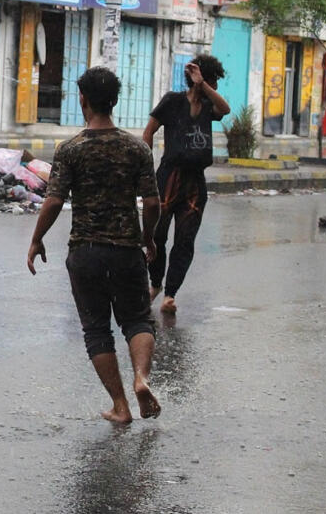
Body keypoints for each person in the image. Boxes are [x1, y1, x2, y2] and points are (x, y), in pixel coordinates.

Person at [27, 66, 162, 424]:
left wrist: (37, 238)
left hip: (85, 252)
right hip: (126, 251)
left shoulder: (71, 150)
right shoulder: (137, 149)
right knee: (137, 320)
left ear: (82, 99)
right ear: (115, 101)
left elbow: (54, 201)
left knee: (97, 330)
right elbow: (151, 203)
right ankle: (141, 378)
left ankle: (120, 406)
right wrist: (148, 238)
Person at [141, 54, 230, 314]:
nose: (214, 87)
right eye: (213, 81)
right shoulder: (172, 101)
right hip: (168, 176)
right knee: (156, 235)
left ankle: (170, 294)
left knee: (185, 240)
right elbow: (149, 132)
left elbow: (225, 109)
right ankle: (155, 284)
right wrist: (146, 171)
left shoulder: (209, 107)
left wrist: (204, 87)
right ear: (198, 78)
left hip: (195, 181)